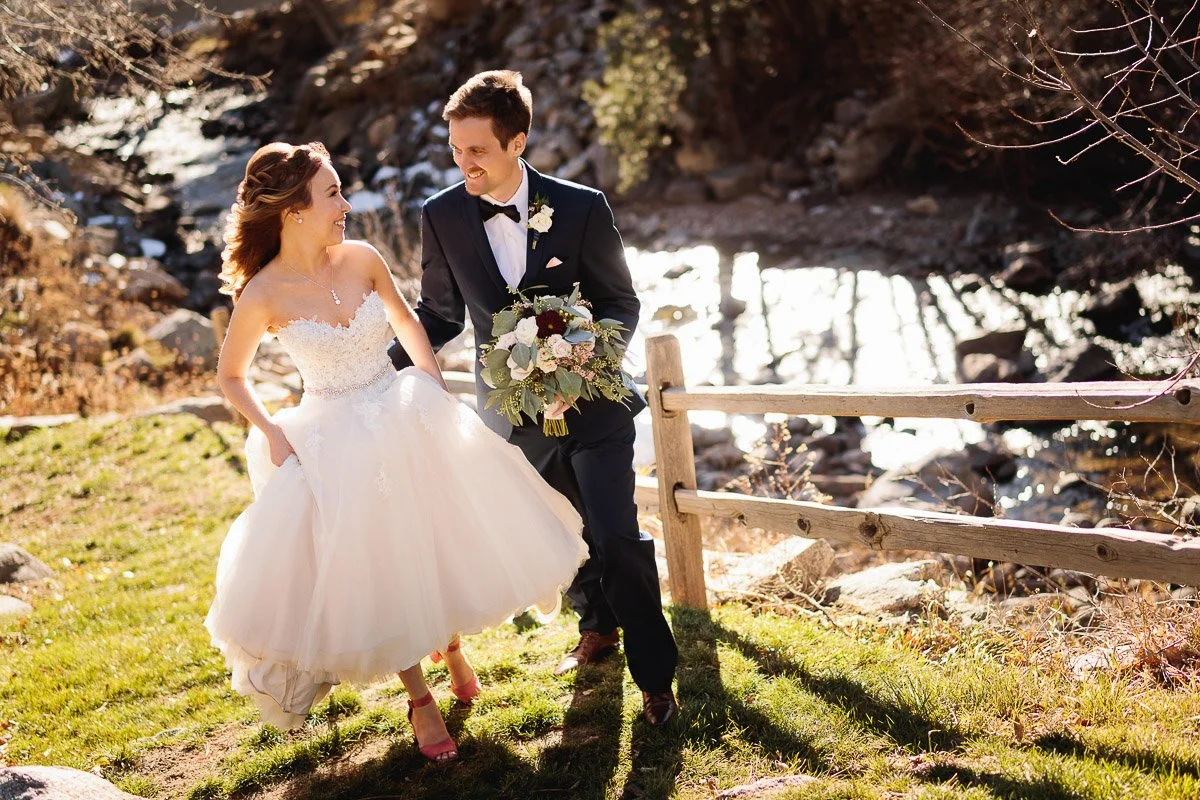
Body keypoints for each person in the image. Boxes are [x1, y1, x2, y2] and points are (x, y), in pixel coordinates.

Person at [205, 141, 588, 763]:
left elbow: (408, 322)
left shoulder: (361, 257)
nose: (345, 204)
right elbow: (230, 377)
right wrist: (273, 432)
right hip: (332, 435)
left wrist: (429, 381)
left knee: (436, 535)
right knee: (377, 560)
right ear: (293, 210)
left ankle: (453, 647)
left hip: (401, 407)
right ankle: (418, 696)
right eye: (332, 193)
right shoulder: (263, 294)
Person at [388, 70, 679, 726]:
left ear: (517, 141)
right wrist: (379, 369)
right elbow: (439, 315)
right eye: (455, 149)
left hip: (596, 409)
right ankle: (596, 629)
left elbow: (619, 301)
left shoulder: (581, 207)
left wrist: (581, 356)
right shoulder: (440, 215)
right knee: (558, 531)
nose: (464, 164)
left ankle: (656, 676)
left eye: (478, 150)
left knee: (615, 533)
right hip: (511, 416)